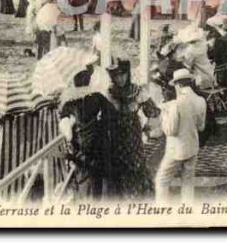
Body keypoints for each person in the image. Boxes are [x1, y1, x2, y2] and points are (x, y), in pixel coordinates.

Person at [58, 66, 115, 199]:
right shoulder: (98, 98)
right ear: (89, 80)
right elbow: (111, 116)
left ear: (74, 80)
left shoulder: (69, 104)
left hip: (81, 153)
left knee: (84, 185)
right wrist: (99, 125)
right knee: (97, 185)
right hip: (99, 149)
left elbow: (67, 132)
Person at [107, 59, 160, 199]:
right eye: (116, 75)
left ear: (128, 74)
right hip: (115, 135)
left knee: (135, 164)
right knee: (118, 166)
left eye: (123, 74)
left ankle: (137, 197)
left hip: (133, 135)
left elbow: (153, 111)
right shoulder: (109, 93)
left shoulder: (136, 91)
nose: (120, 79)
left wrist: (147, 127)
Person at [155, 68, 207, 204]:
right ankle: (187, 210)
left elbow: (170, 131)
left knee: (162, 180)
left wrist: (164, 116)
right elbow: (201, 127)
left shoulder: (176, 104)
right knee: (188, 182)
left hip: (176, 150)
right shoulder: (201, 100)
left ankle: (161, 210)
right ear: (190, 82)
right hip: (193, 147)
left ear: (177, 85)